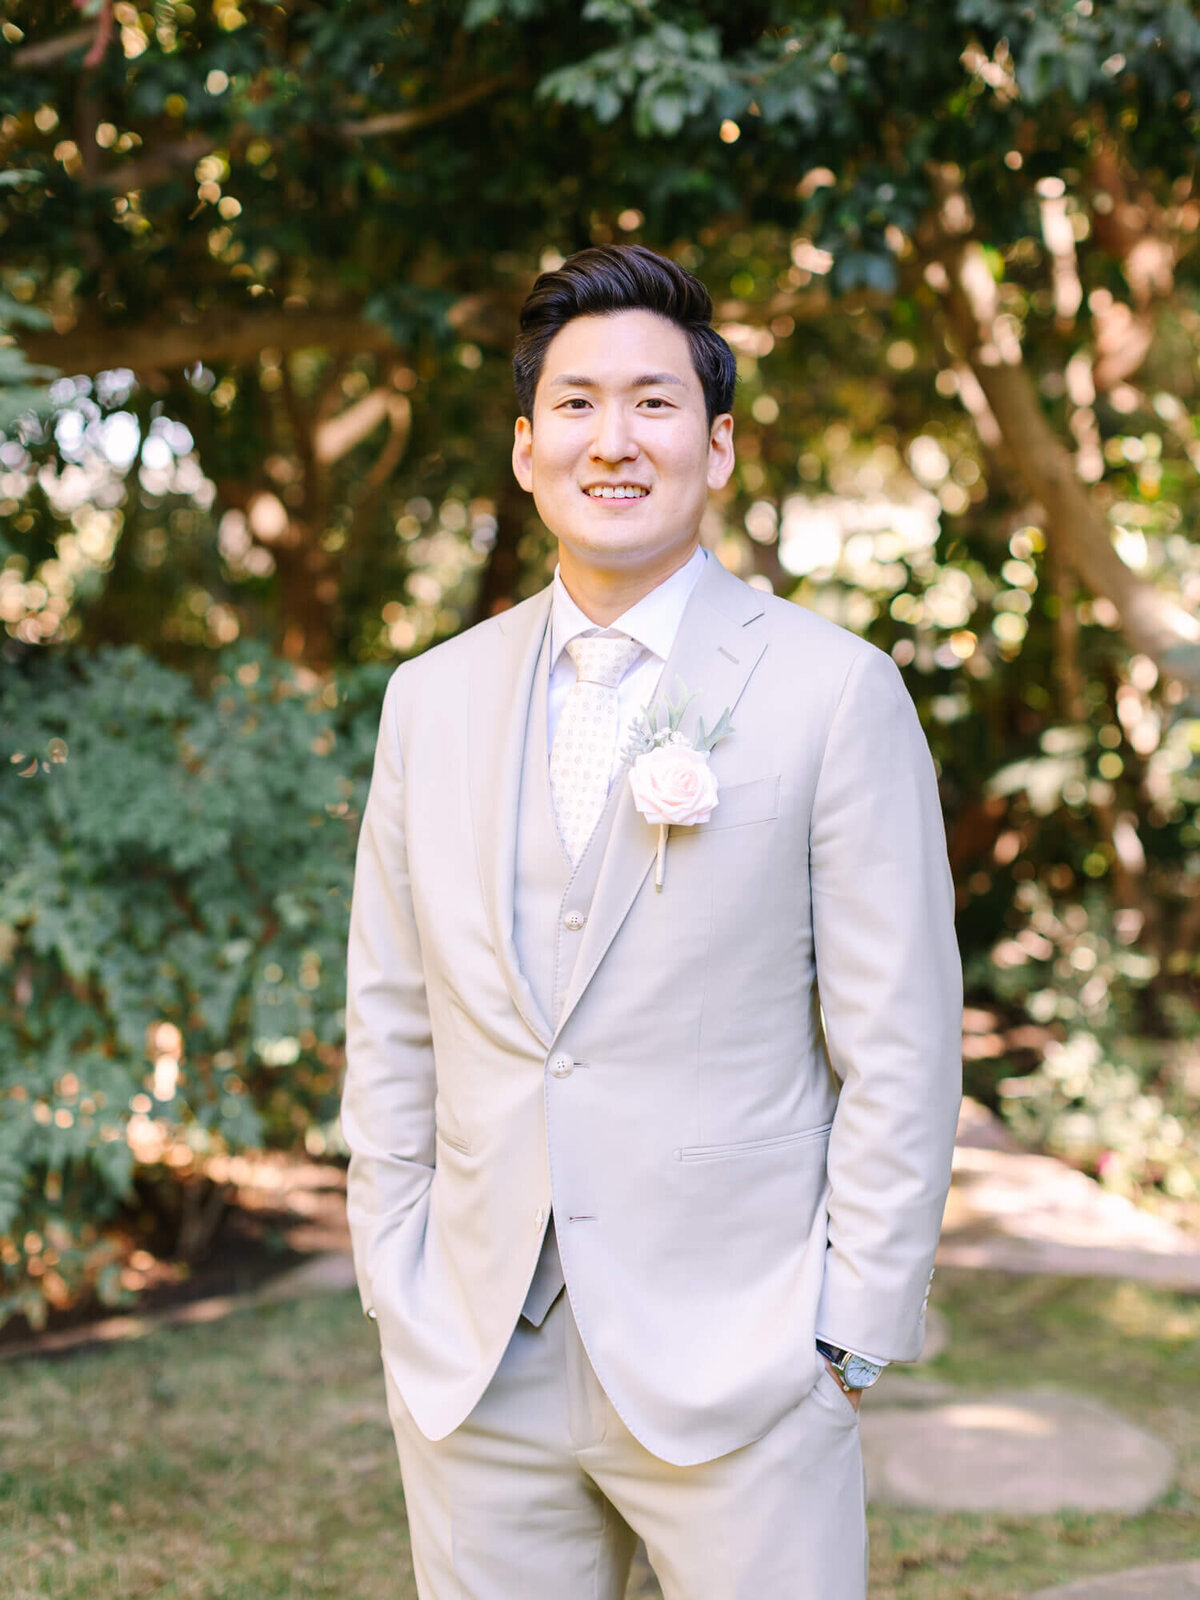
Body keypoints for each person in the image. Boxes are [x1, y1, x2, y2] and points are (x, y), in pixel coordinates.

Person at [340, 243, 963, 1600]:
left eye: (655, 403)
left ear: (718, 446)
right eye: (574, 404)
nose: (611, 439)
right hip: (477, 1359)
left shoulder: (832, 693)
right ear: (523, 449)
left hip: (743, 1360)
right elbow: (390, 1013)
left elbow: (900, 1039)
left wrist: (848, 1339)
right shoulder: (430, 700)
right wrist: (397, 1274)